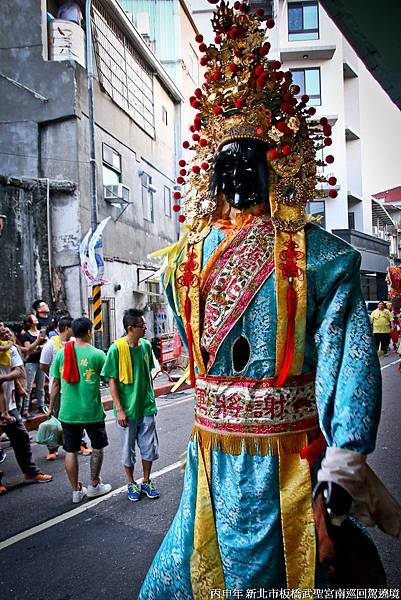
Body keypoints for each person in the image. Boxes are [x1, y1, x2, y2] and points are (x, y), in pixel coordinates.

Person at [138, 3, 400, 595]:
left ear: (275, 166)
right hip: (212, 459)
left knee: (295, 568)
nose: (236, 175)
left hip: (290, 460)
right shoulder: (186, 260)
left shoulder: (319, 258)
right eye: (225, 163)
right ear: (210, 172)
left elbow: (349, 359)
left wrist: (345, 456)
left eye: (248, 160)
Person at [49, 317, 111, 503]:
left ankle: (76, 491)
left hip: (68, 411)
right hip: (91, 411)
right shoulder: (98, 354)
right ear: (89, 332)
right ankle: (94, 485)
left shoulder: (62, 353)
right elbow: (110, 380)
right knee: (97, 446)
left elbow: (55, 384)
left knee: (70, 450)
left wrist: (51, 407)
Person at [101, 309, 159, 502]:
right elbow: (112, 380)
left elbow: (148, 371)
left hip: (146, 406)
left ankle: (146, 480)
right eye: (142, 326)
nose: (145, 330)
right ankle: (131, 482)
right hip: (127, 410)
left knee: (149, 447)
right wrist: (119, 409)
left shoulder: (146, 346)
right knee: (128, 450)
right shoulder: (116, 349)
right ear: (130, 328)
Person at [0, 324, 52, 492]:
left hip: (8, 404)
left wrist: (4, 378)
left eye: (6, 330)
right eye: (2, 330)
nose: (6, 332)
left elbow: (19, 371)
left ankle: (30, 472)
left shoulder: (10, 348)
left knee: (21, 437)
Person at [40, 315, 92, 461]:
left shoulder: (76, 343)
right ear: (68, 328)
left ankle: (80, 443)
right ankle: (52, 448)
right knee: (55, 417)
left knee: (77, 417)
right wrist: (53, 376)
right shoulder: (51, 344)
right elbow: (43, 365)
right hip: (57, 388)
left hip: (74, 388)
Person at [20, 314, 48, 416]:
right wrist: (38, 341)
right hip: (31, 362)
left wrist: (39, 346)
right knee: (28, 386)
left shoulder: (41, 332)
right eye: (33, 318)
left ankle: (41, 405)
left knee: (40, 386)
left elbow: (47, 344)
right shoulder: (26, 335)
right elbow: (28, 350)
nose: (36, 318)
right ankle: (25, 410)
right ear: (29, 322)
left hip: (41, 361)